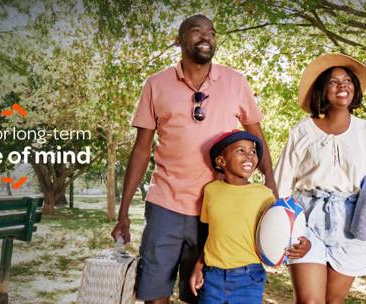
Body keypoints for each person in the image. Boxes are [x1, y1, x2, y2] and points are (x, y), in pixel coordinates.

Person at [111, 14, 278, 304]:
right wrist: (123, 211)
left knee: (199, 293)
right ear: (179, 40)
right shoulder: (156, 84)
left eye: (211, 33)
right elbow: (141, 150)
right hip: (166, 202)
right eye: (196, 31)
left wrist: (271, 181)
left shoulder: (236, 82)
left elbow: (257, 137)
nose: (206, 37)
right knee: (154, 290)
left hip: (216, 207)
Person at [274, 53, 366, 303]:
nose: (343, 85)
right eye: (333, 81)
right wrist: (286, 227)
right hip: (306, 219)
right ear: (322, 90)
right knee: (309, 301)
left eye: (348, 80)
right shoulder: (303, 130)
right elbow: (281, 182)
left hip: (350, 223)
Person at [189, 130, 310, 304]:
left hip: (249, 278)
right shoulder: (211, 190)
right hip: (212, 277)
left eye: (253, 151)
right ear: (221, 161)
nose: (250, 156)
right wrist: (199, 266)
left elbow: (282, 229)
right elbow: (211, 235)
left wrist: (303, 244)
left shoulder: (264, 195)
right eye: (241, 151)